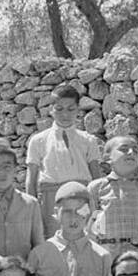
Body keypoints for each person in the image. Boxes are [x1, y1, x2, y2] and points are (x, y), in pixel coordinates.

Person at [25, 84, 103, 236]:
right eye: (59, 109)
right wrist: (32, 209)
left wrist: (98, 207)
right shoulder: (38, 140)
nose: (65, 114)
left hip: (83, 197)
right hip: (51, 200)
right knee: (54, 242)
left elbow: (96, 177)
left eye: (71, 109)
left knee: (85, 238)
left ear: (78, 110)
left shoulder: (88, 140)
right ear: (51, 110)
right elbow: (31, 179)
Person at [87, 135, 138, 258]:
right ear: (107, 158)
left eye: (135, 150)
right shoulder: (97, 188)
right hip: (108, 254)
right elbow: (90, 227)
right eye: (124, 149)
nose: (131, 152)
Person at [0, 141, 43, 259]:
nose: (1, 172)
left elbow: (39, 245)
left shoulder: (30, 204)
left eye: (7, 167)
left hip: (21, 274)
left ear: (16, 170)